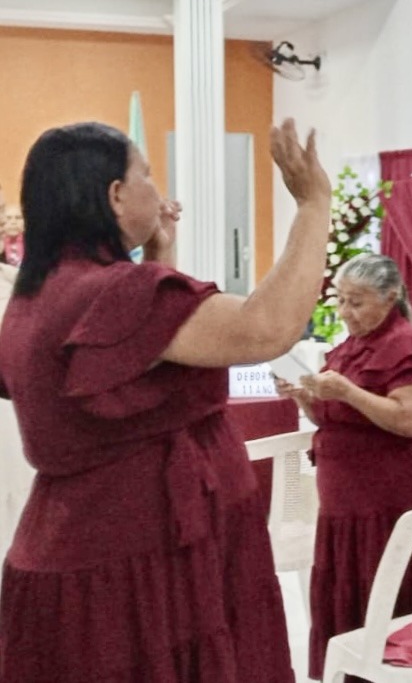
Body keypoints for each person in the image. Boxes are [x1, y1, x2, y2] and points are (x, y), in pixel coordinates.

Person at [0, 119, 329, 683]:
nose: (158, 187)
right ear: (114, 195)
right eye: (146, 174)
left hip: (90, 542)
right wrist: (312, 205)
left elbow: (135, 367)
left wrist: (157, 257)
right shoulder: (111, 292)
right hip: (136, 562)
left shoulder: (40, 292)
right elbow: (265, 329)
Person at [274, 253, 412, 681]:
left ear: (390, 297)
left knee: (391, 601)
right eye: (340, 300)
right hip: (347, 506)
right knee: (353, 598)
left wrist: (349, 392)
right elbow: (332, 419)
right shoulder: (355, 343)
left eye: (357, 301)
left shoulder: (404, 342)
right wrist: (303, 396)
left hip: (387, 503)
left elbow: (409, 420)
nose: (345, 312)